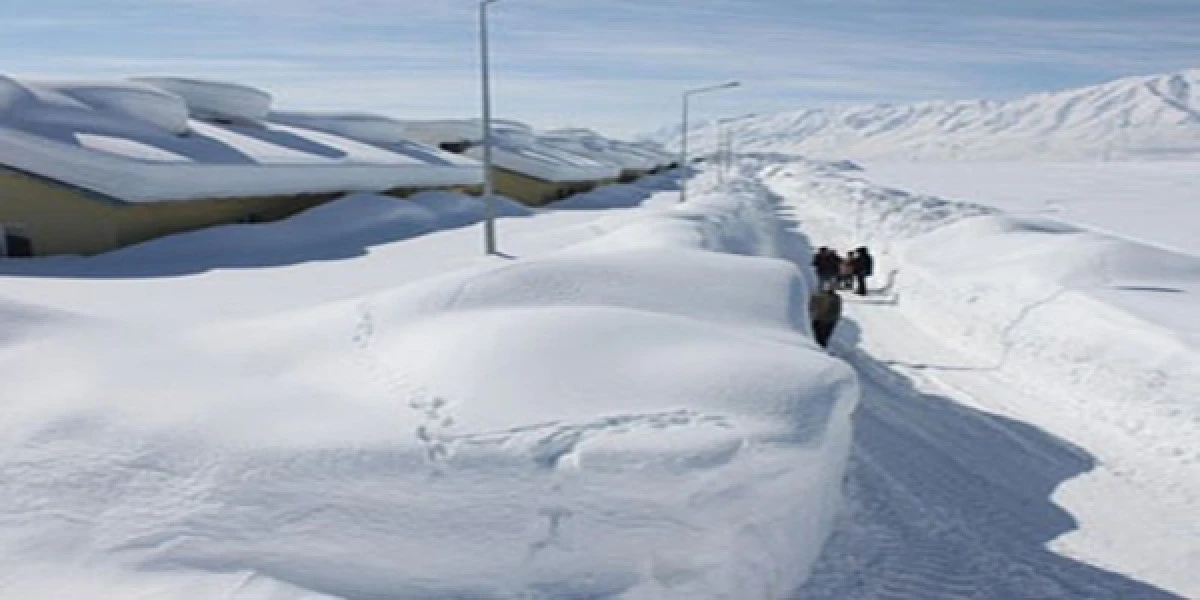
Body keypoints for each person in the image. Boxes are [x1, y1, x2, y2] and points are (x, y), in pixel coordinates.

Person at [809, 283, 842, 348]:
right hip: (827, 320)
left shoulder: (819, 296)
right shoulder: (836, 298)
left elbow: (813, 307)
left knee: (819, 339)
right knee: (821, 339)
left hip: (823, 320)